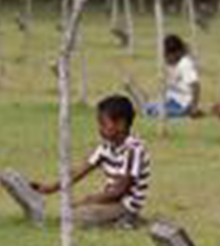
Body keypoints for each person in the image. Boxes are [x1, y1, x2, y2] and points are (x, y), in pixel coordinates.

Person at [32, 96, 150, 229]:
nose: (99, 128)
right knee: (72, 214)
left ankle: (128, 219)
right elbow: (79, 171)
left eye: (103, 124)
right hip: (111, 202)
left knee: (77, 216)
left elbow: (119, 191)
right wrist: (50, 188)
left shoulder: (133, 150)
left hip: (125, 205)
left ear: (121, 124)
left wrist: (87, 200)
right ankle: (117, 221)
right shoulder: (106, 147)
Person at [145, 35, 203, 119]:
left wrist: (194, 107)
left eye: (166, 55)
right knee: (147, 107)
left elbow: (196, 86)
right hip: (170, 101)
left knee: (152, 112)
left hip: (182, 105)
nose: (164, 58)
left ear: (177, 53)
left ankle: (185, 113)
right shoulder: (171, 64)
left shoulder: (185, 64)